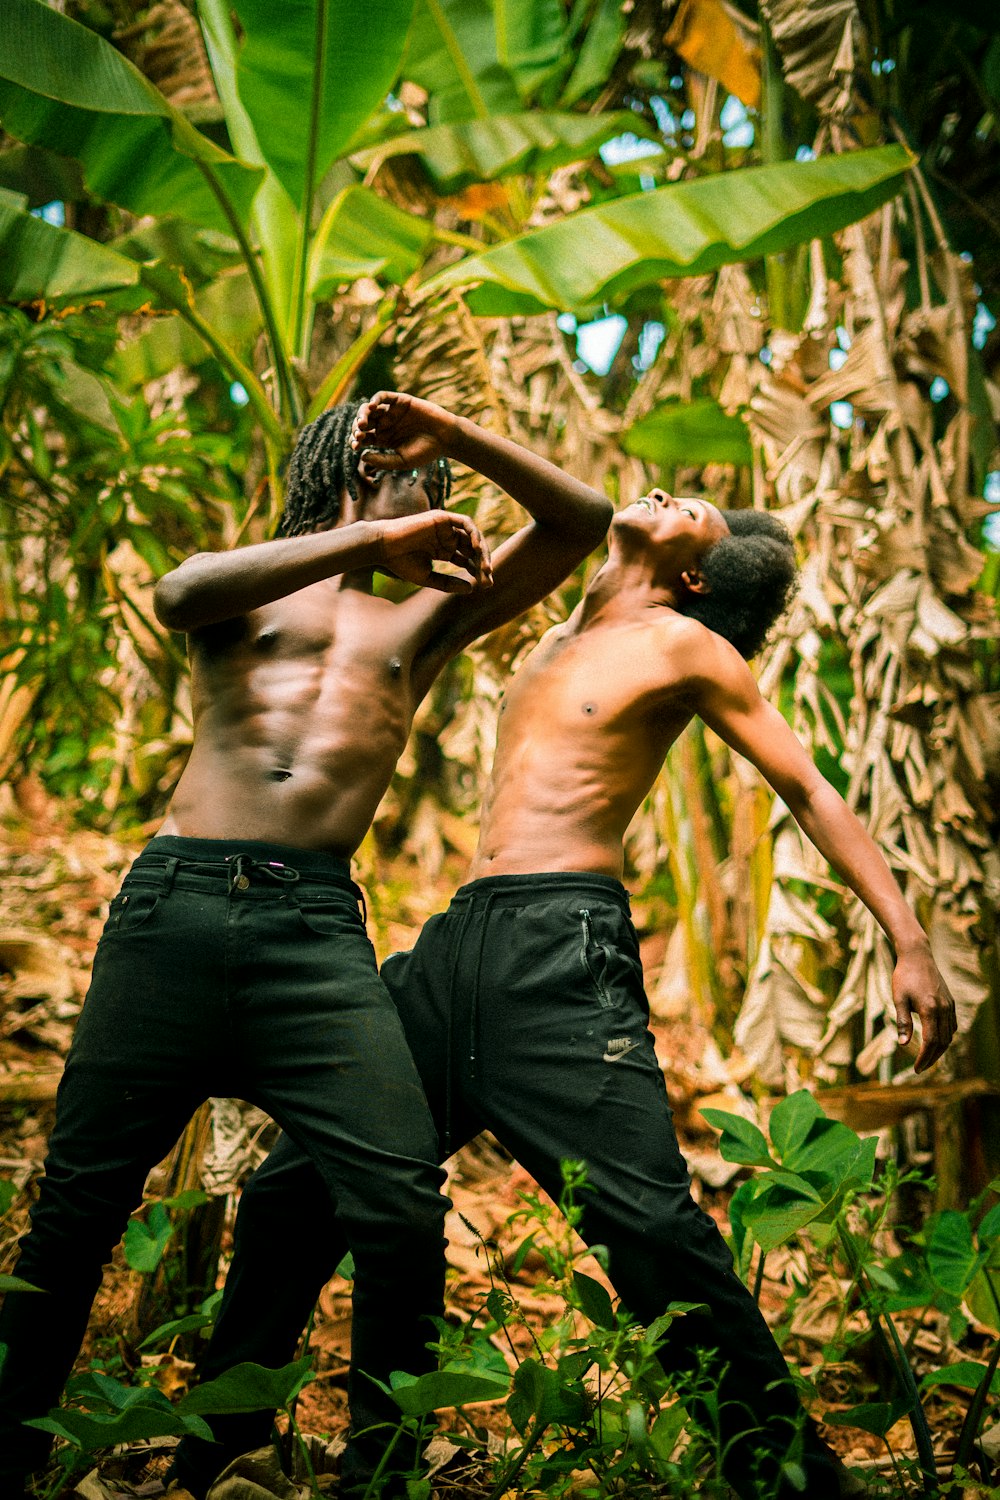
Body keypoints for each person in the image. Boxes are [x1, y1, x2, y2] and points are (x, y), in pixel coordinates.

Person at [176, 485, 958, 1498]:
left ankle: (798, 1480)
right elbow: (536, 528)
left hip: (563, 949)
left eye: (697, 515)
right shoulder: (548, 639)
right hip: (459, 940)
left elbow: (806, 789)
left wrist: (907, 939)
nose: (673, 494)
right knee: (295, 1186)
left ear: (692, 576)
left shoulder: (683, 645)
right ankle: (220, 1451)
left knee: (648, 1228)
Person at [0, 392, 613, 1499]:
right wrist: (380, 534)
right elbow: (178, 592)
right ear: (354, 478)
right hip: (173, 912)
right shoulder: (251, 587)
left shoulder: (424, 624)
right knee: (78, 1209)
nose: (443, 507)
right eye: (426, 483)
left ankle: (377, 1476)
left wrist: (456, 437)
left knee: (396, 1203)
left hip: (314, 932)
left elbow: (582, 519)